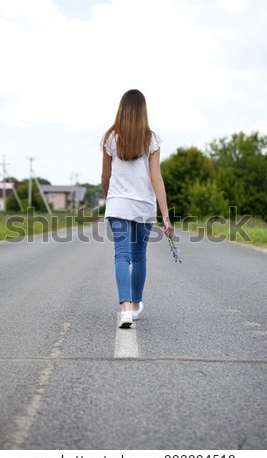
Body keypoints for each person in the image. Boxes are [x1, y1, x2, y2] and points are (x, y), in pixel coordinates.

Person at [101, 89, 173, 328]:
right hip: (143, 205)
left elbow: (105, 175)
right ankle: (134, 306)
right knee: (139, 256)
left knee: (121, 255)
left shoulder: (110, 138)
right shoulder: (151, 139)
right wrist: (166, 216)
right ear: (143, 111)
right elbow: (156, 178)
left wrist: (109, 199)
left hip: (118, 205)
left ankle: (125, 310)